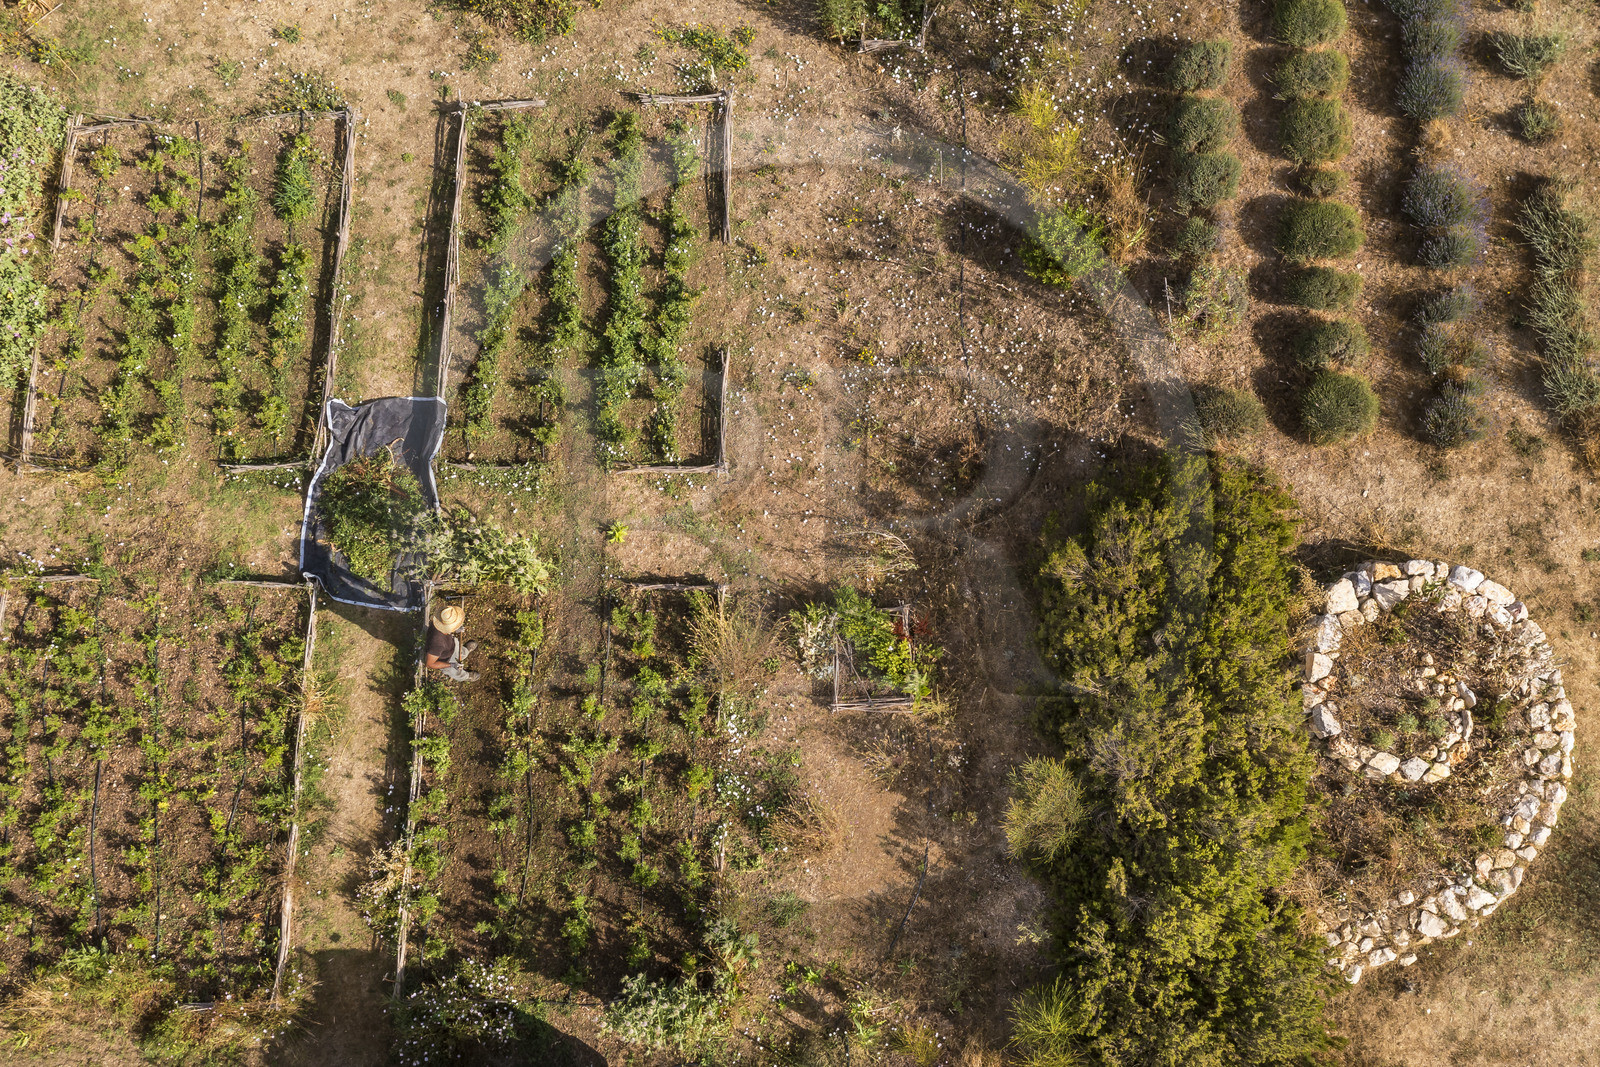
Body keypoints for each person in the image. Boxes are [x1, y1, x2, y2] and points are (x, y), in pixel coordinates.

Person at [425, 605, 480, 682]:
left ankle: (465, 651)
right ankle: (466, 676)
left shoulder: (438, 621)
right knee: (457, 672)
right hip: (446, 659)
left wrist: (455, 629)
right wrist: (451, 665)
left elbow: (445, 629)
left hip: (451, 645)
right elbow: (430, 664)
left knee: (460, 652)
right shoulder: (436, 644)